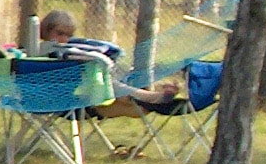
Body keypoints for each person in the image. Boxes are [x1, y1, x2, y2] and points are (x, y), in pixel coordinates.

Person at [32, 9, 181, 104]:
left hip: (83, 87)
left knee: (113, 76)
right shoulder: (40, 51)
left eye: (68, 35)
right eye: (59, 33)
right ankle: (149, 97)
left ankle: (151, 92)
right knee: (109, 82)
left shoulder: (69, 49)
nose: (64, 39)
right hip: (59, 96)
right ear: (46, 30)